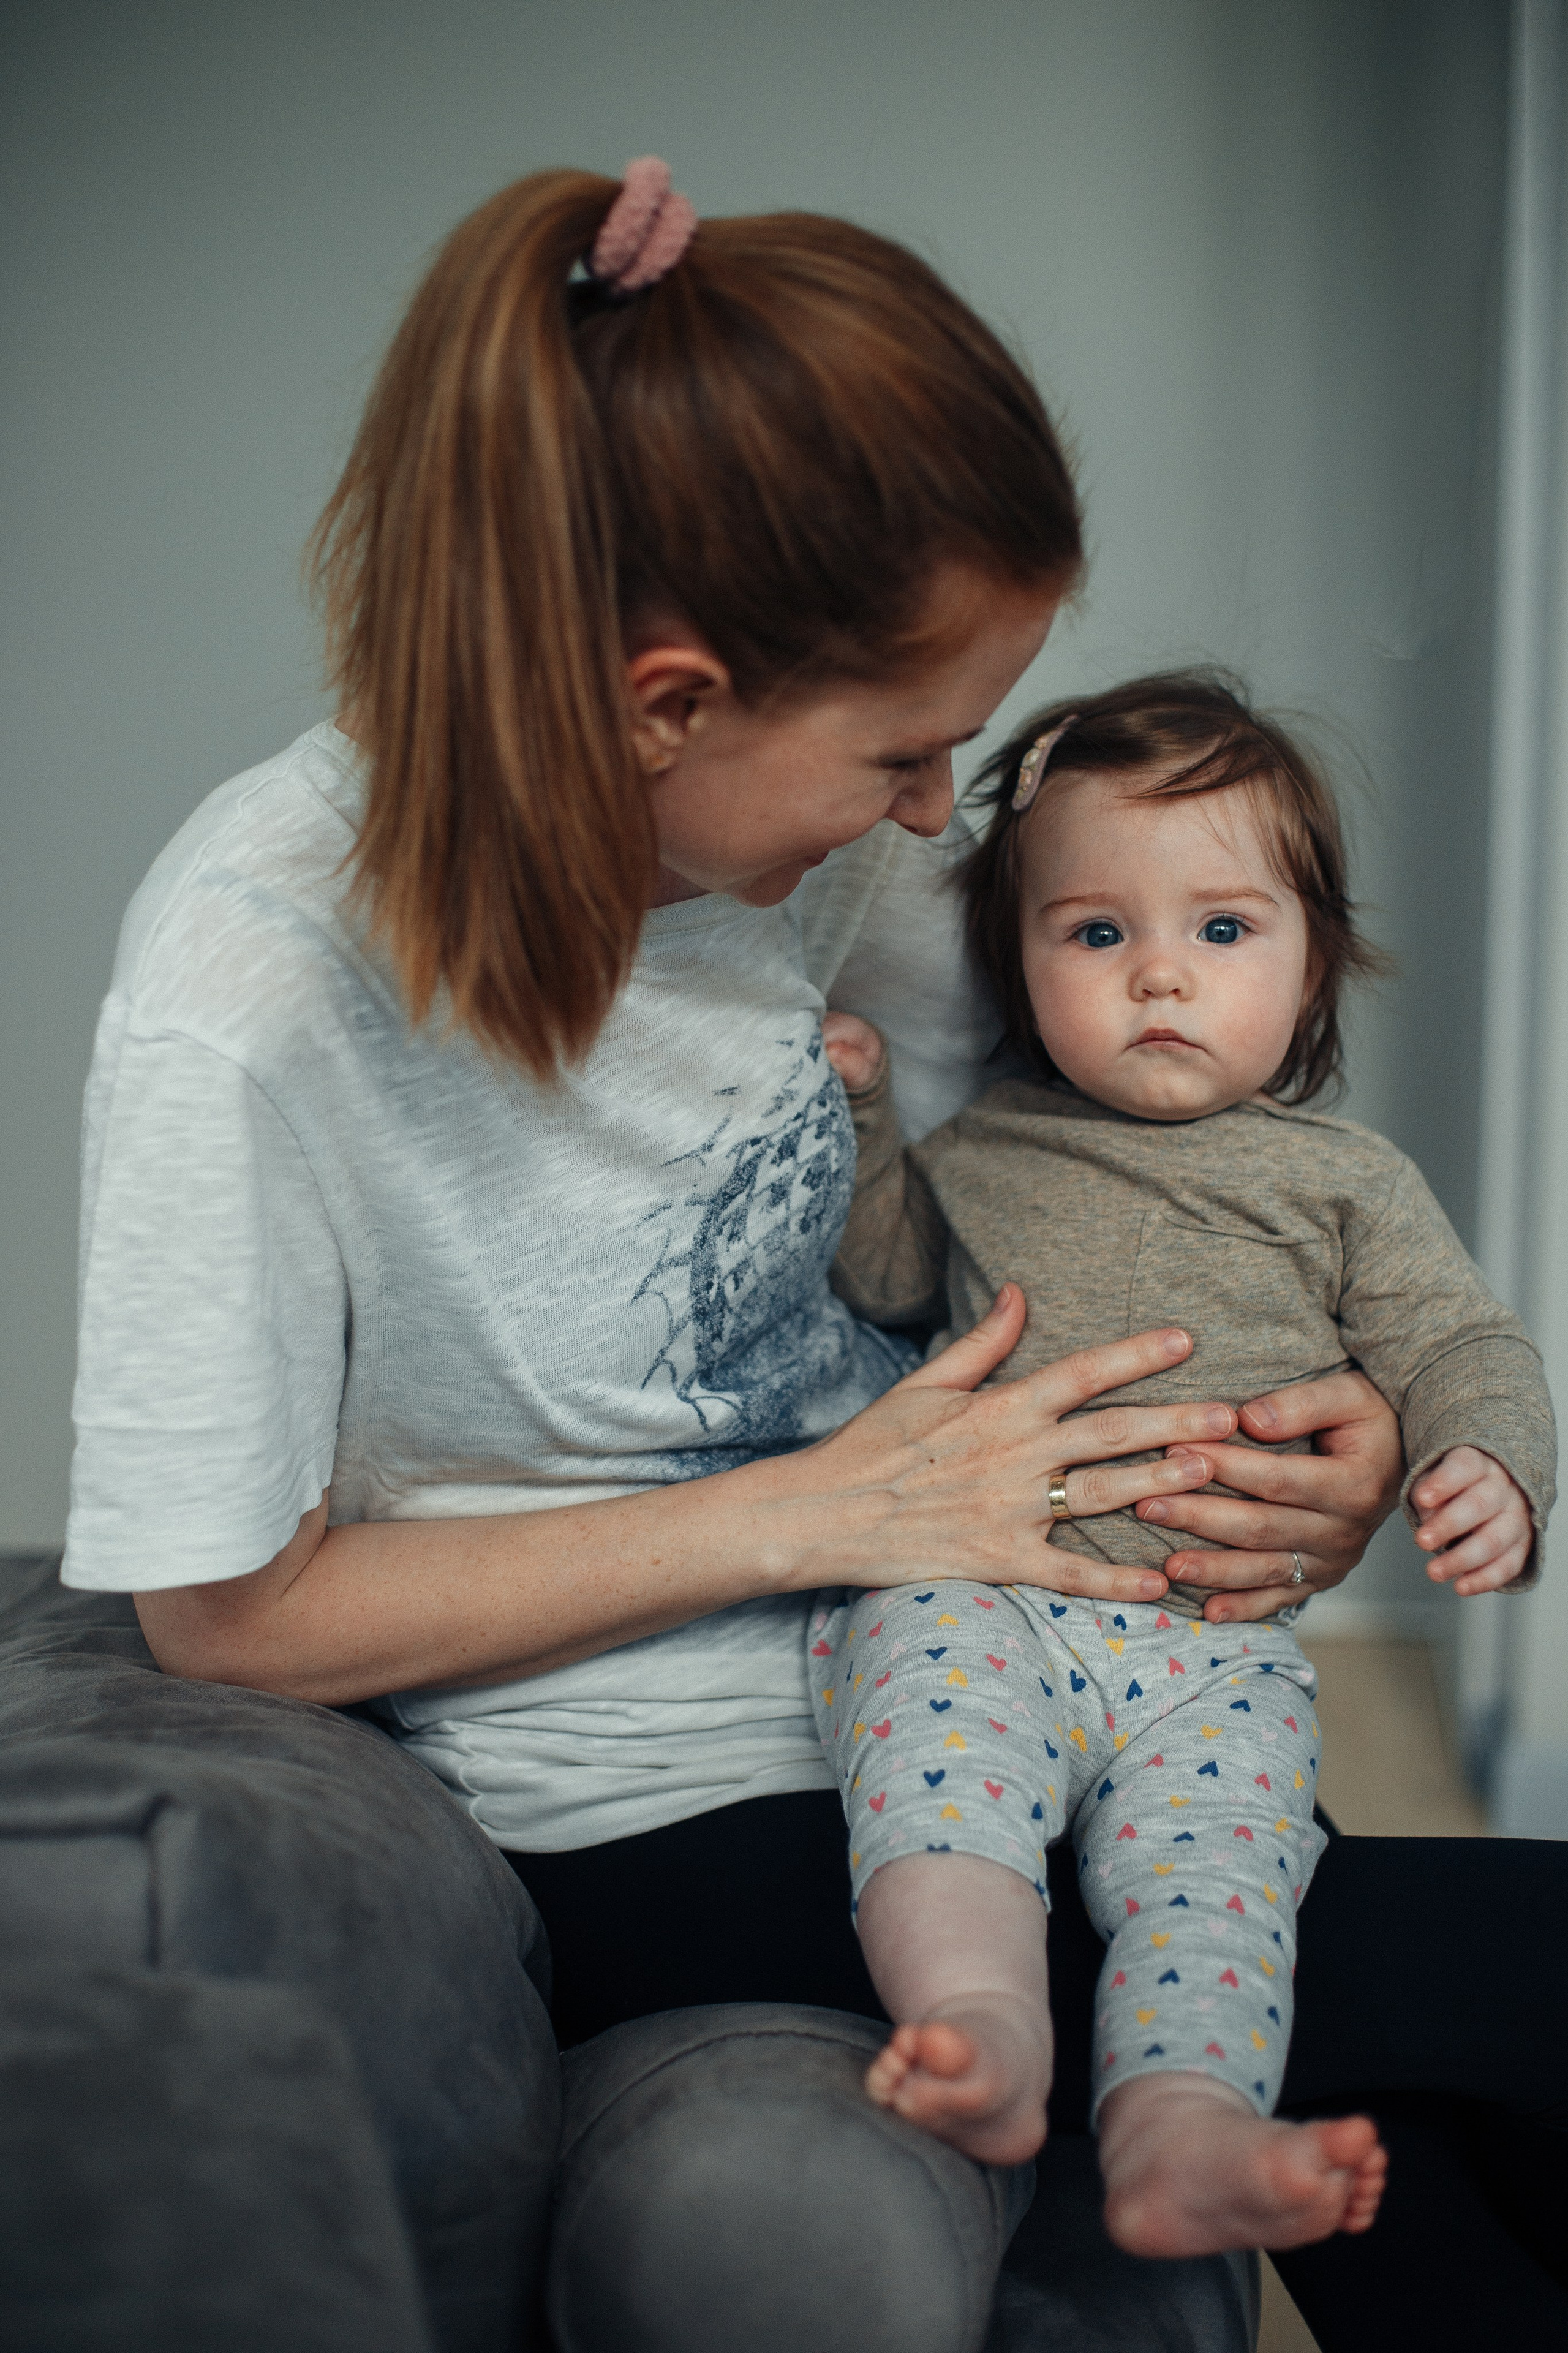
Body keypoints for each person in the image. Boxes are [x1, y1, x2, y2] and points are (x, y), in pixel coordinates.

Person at [56, 161, 1565, 2349]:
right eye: (900, 751)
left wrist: (1326, 1448)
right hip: (669, 1804)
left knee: (1441, 2154)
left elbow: (1098, 1193)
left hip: (1062, 1656)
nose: (942, 813)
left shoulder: (828, 863)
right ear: (664, 703)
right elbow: (220, 1612)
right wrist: (820, 1514)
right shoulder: (255, 992)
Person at [812, 672, 1555, 2259]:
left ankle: (1181, 2128)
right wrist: (867, 1116)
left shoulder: (1345, 1184)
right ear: (1022, 966)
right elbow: (884, 1277)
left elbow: (1461, 1345)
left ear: (1312, 961)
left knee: (1221, 1880)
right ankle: (981, 2022)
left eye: (1223, 928)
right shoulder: (989, 1146)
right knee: (935, 1787)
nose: (1159, 971)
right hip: (989, 1591)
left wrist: (1493, 1460)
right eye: (1097, 932)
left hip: (1212, 1649)